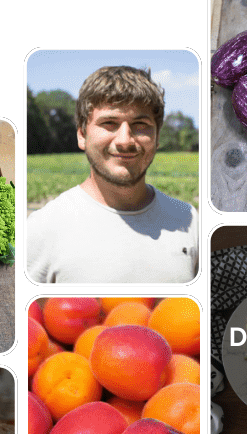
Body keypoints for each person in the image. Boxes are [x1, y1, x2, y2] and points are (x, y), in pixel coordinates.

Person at [26, 65, 199, 285]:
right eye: (109, 123)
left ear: (157, 137)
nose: (125, 140)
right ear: (82, 134)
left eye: (140, 125)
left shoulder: (189, 221)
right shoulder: (42, 229)